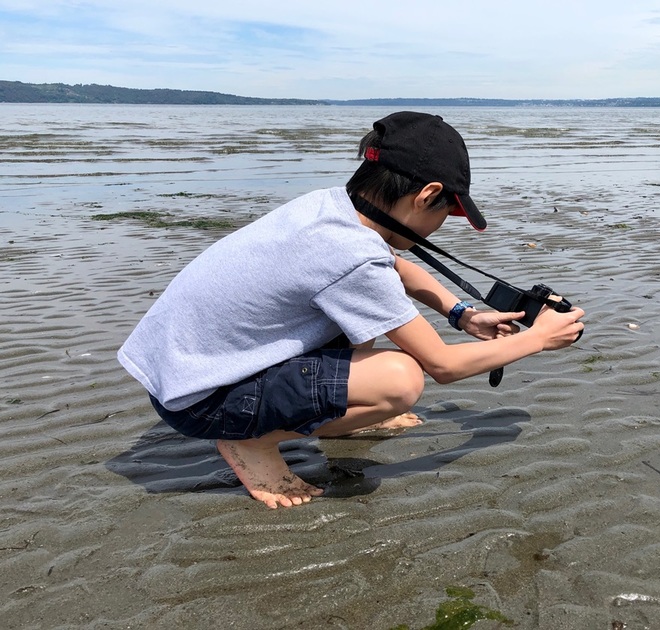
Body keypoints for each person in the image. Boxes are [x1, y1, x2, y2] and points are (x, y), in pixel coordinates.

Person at [118, 111, 585, 509]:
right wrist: (538, 338)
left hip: (181, 373)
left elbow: (394, 267)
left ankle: (323, 417)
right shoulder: (350, 255)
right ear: (426, 195)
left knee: (369, 318)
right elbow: (443, 365)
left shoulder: (330, 208)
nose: (444, 226)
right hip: (202, 401)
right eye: (449, 212)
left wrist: (461, 312)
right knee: (402, 378)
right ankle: (250, 441)